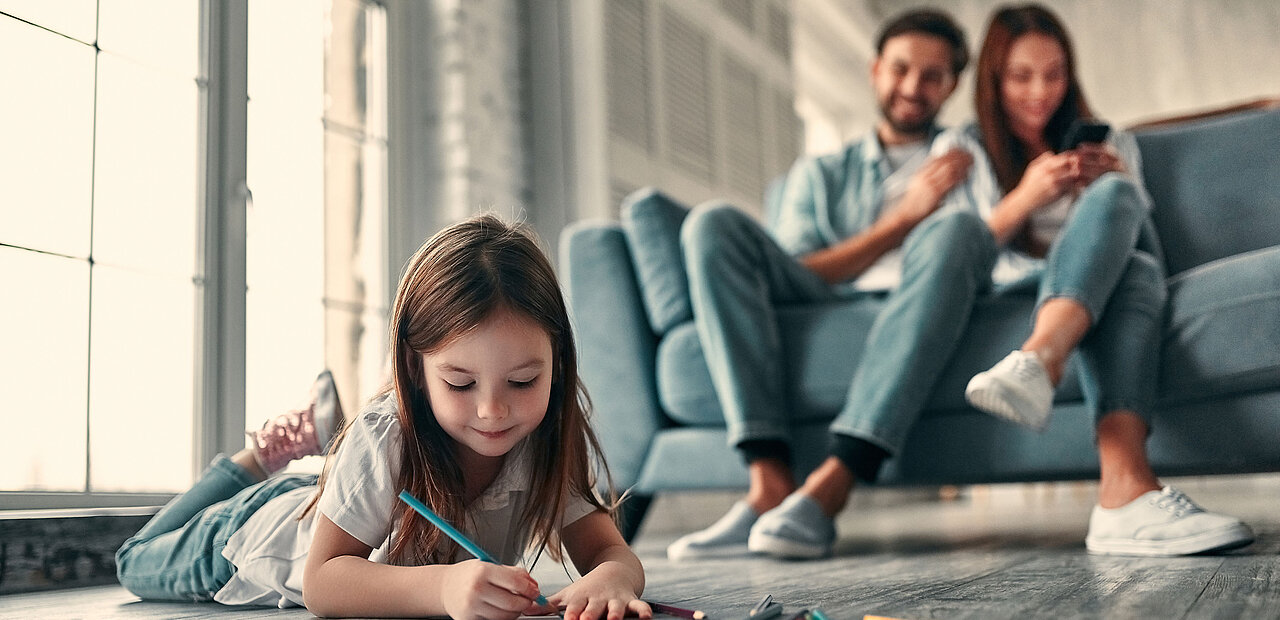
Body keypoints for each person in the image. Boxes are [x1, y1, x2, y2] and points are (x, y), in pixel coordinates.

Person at [116, 215, 651, 620]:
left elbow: (609, 549)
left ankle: (309, 459)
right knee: (131, 561)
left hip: (333, 501)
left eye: (523, 381)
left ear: (557, 363)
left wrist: (610, 578)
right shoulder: (386, 435)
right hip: (249, 541)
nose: (493, 410)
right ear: (416, 371)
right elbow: (323, 583)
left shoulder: (545, 436)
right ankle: (255, 462)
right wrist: (444, 589)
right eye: (460, 383)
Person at [670, 9, 986, 561]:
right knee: (711, 223)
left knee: (958, 228)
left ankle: (832, 487)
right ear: (875, 70)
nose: (913, 86)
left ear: (953, 85)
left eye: (932, 75)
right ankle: (769, 482)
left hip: (927, 300)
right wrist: (904, 219)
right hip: (829, 297)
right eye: (901, 68)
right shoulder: (822, 174)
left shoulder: (972, 157)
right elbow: (799, 275)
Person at [940, 3, 1253, 556]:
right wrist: (1025, 200)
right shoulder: (964, 151)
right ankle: (1122, 494)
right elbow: (956, 258)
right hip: (1020, 287)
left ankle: (1038, 360)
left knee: (1122, 218)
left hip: (1113, 270)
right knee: (1133, 272)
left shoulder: (1110, 140)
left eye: (1054, 74)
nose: (1041, 92)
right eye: (1021, 76)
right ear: (992, 80)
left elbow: (1145, 242)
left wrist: (1111, 186)